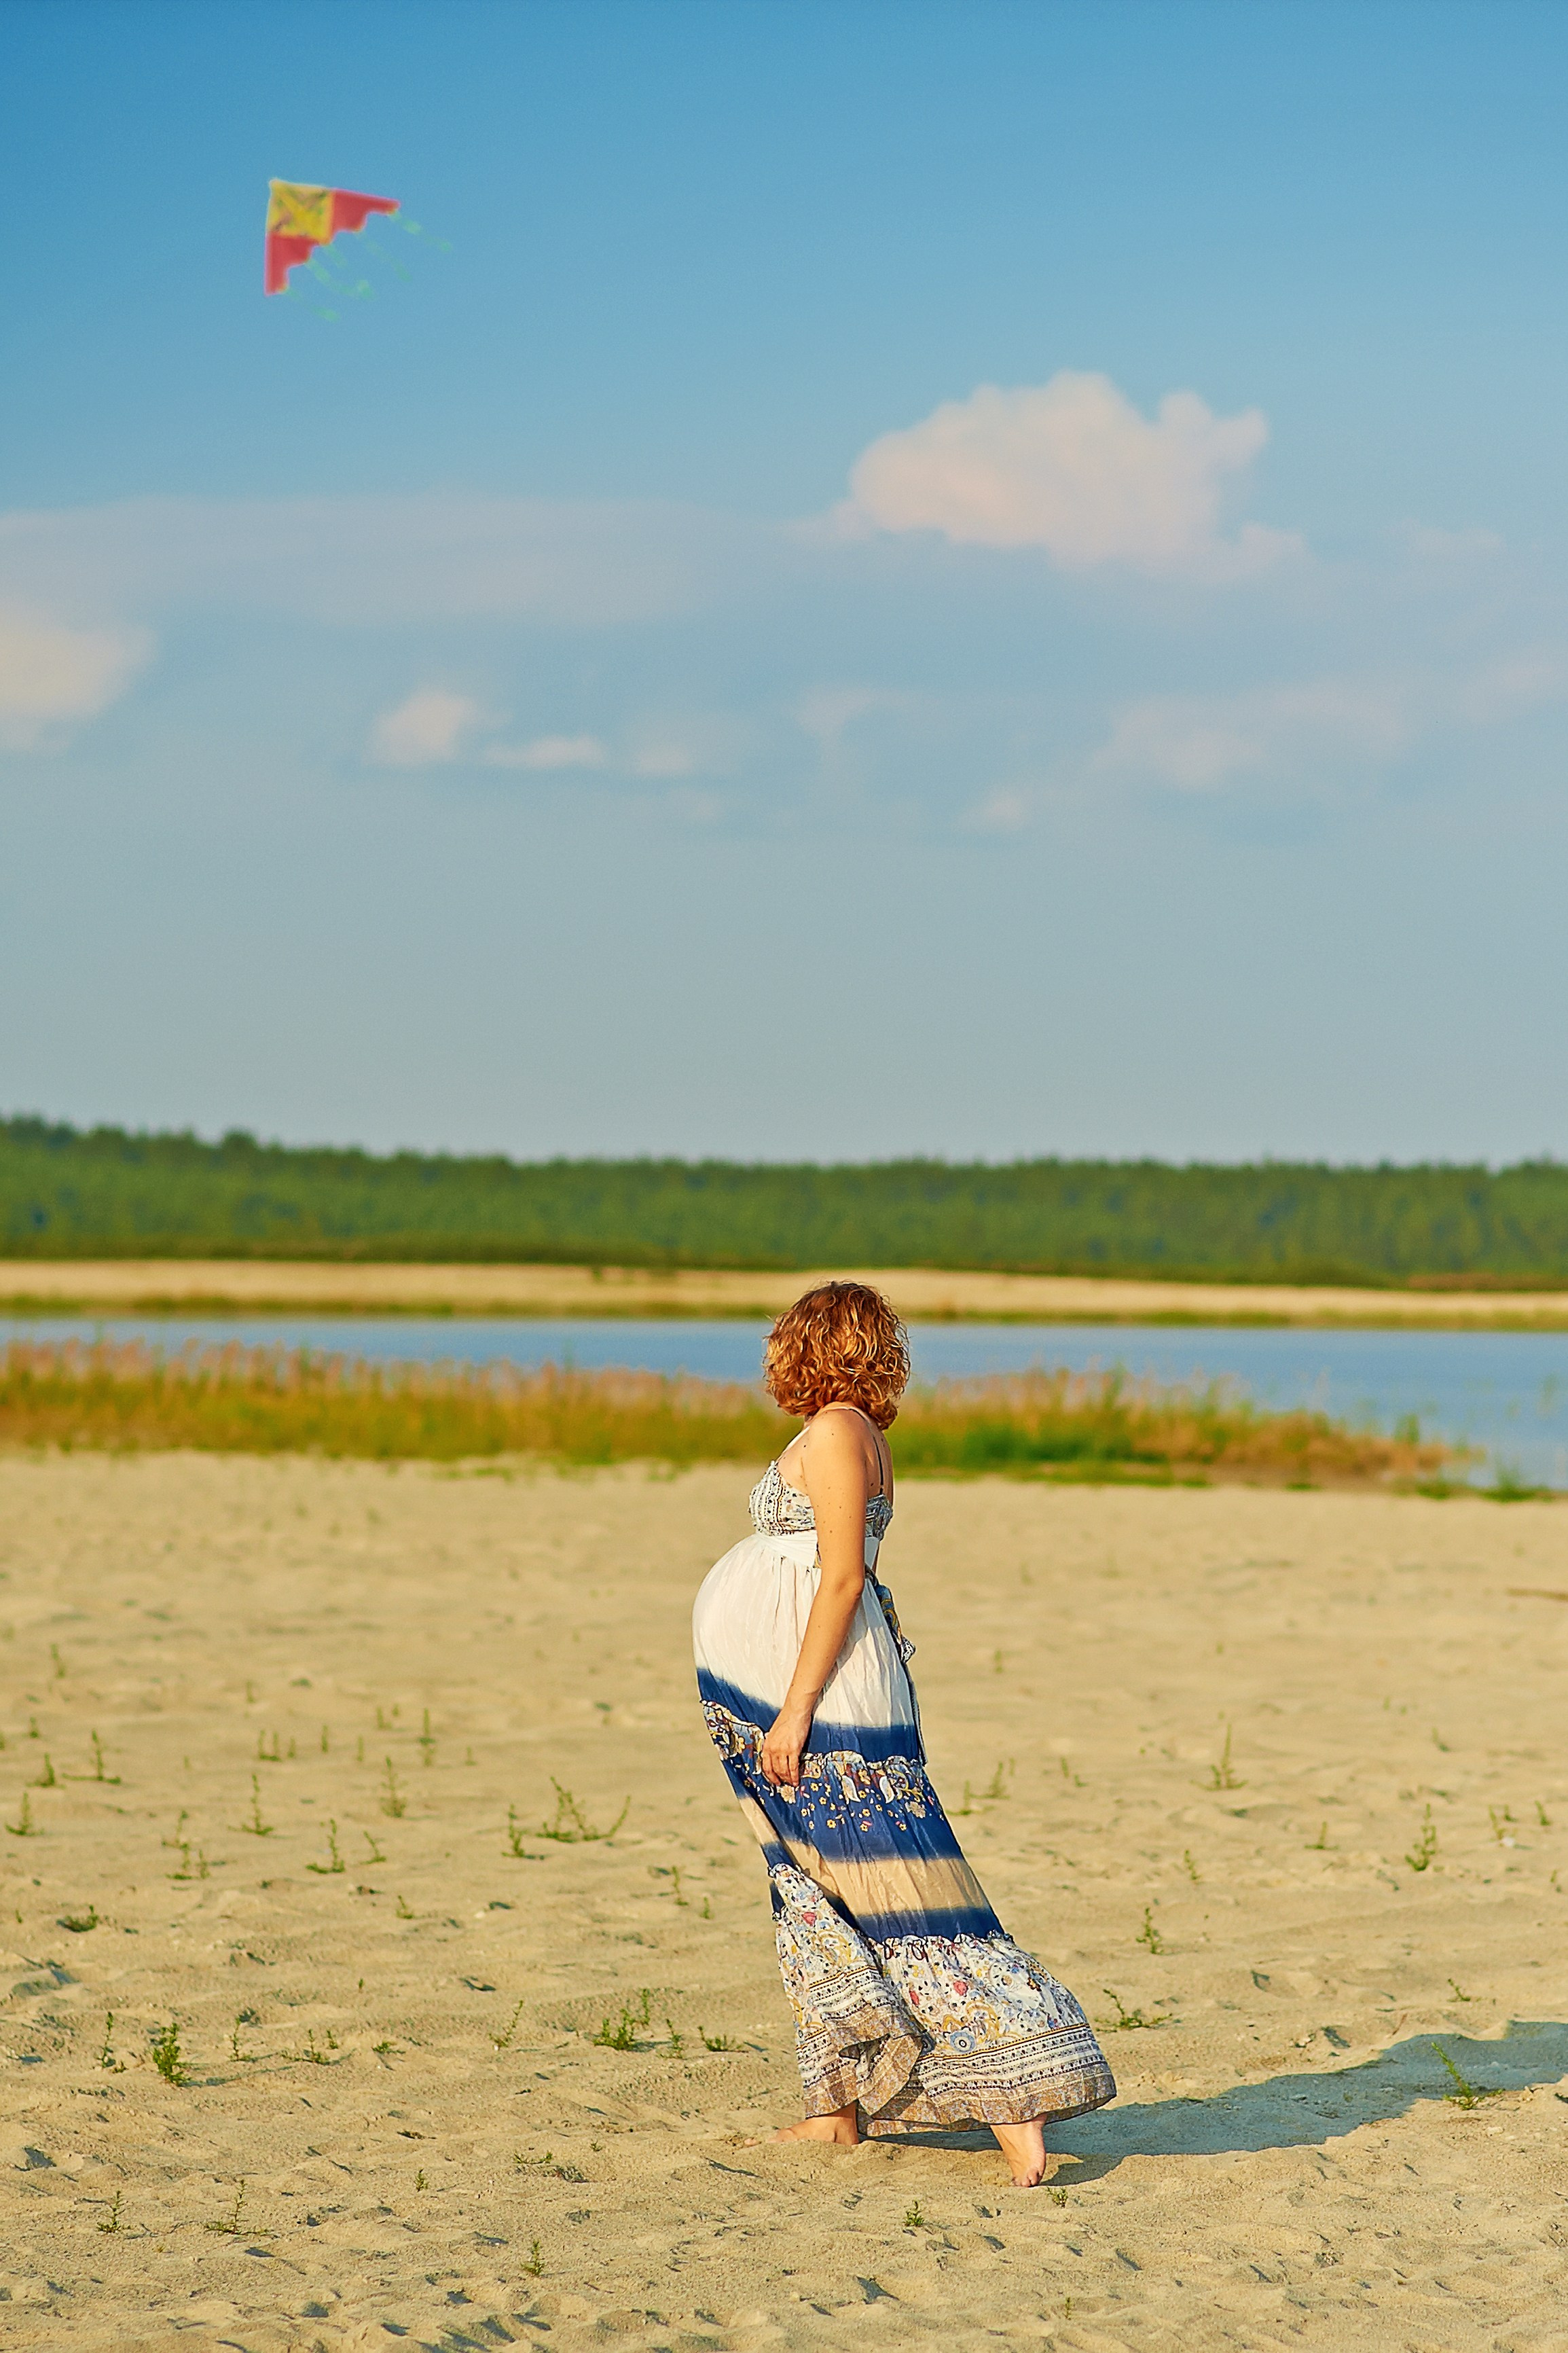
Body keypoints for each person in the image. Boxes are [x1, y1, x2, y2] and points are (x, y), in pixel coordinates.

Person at [692, 1280, 1114, 2186]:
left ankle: (1014, 2111)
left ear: (806, 1345)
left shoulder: (842, 1434)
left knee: (898, 1890)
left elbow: (840, 1579)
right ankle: (834, 2110)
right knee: (813, 1889)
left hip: (827, 1697)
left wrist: (796, 1710)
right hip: (804, 1687)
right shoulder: (850, 1432)